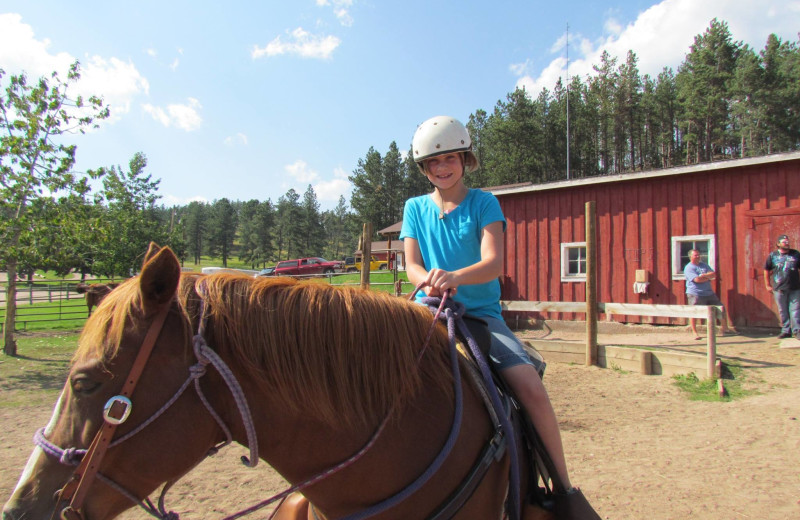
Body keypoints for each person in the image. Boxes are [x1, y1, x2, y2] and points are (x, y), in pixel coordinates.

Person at [400, 115, 598, 517]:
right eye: (433, 163)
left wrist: (455, 276)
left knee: (528, 386)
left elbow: (493, 263)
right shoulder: (415, 208)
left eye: (450, 158)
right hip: (427, 309)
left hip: (480, 315)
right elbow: (411, 266)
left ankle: (563, 489)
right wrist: (430, 282)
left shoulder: (484, 203)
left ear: (465, 159)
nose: (442, 168)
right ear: (424, 168)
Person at [684, 249, 732, 339]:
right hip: (695, 293)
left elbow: (713, 274)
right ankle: (695, 332)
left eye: (698, 255)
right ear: (690, 256)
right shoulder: (689, 267)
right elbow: (697, 280)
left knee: (720, 308)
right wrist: (708, 277)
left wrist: (704, 276)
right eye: (695, 255)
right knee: (694, 312)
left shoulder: (703, 265)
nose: (698, 256)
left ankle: (725, 329)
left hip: (708, 292)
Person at [763, 234, 800, 339]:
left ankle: (797, 331)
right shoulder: (772, 256)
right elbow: (766, 270)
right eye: (784, 242)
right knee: (782, 310)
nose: (787, 243)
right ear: (778, 244)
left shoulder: (796, 254)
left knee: (795, 310)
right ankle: (786, 331)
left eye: (787, 241)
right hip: (779, 288)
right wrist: (767, 285)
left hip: (795, 288)